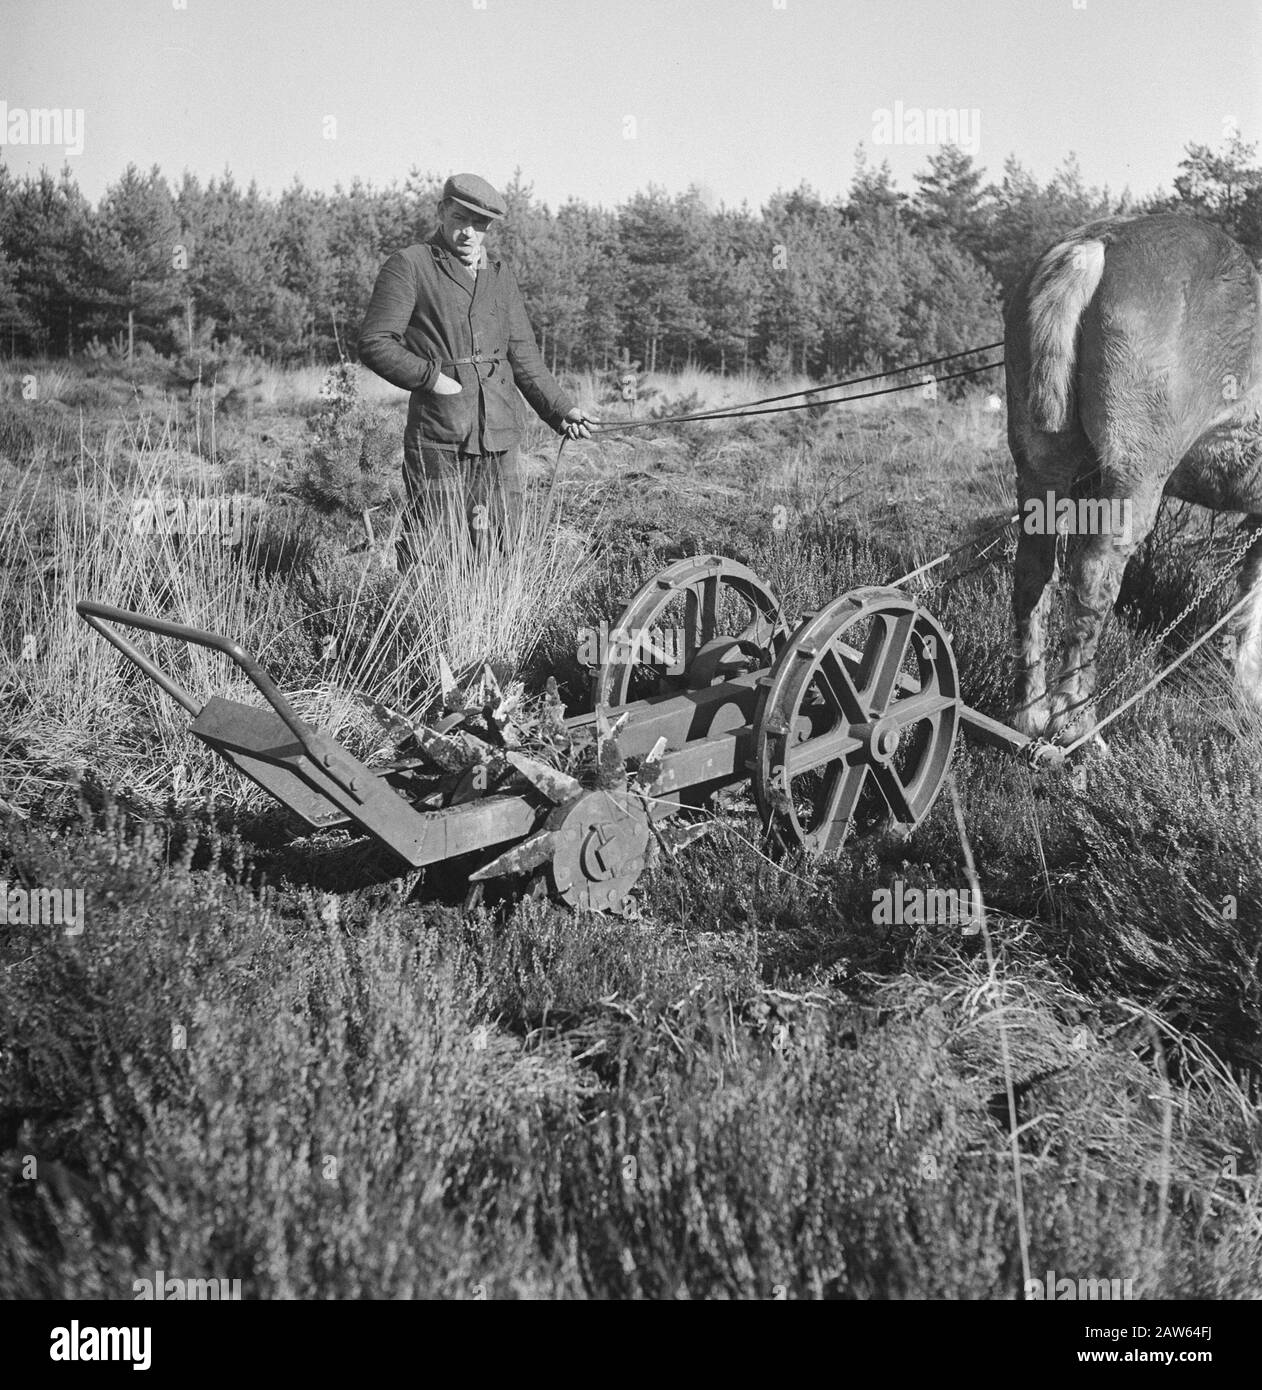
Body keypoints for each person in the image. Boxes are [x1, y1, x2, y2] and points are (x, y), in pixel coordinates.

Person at [358, 172, 597, 564]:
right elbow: (375, 343)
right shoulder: (410, 265)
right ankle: (433, 622)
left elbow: (523, 357)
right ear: (441, 212)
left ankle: (492, 622)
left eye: (480, 224)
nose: (469, 233)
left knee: (502, 542)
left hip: (499, 433)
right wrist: (433, 379)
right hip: (440, 432)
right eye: (459, 220)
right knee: (433, 546)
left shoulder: (501, 277)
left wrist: (562, 410)